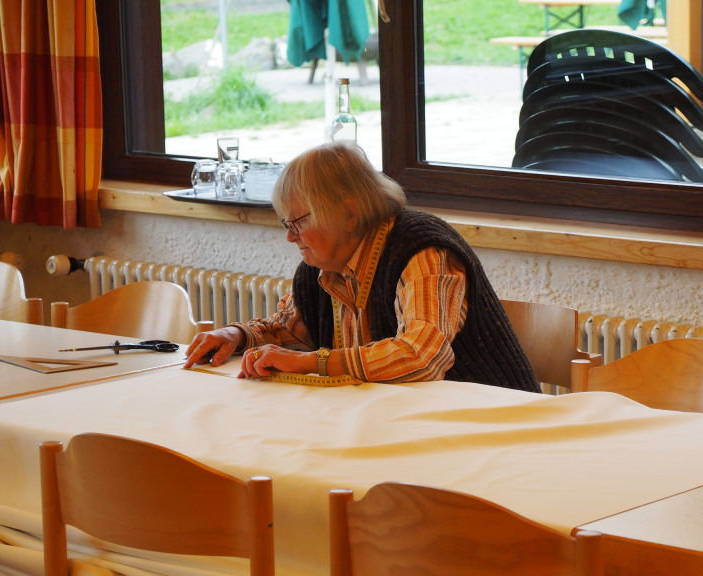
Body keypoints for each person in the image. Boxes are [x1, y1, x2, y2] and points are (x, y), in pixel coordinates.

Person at [185, 142, 539, 392]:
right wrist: (236, 336)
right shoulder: (321, 265)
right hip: (404, 421)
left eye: (299, 222)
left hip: (492, 424)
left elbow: (420, 356)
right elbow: (289, 330)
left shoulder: (422, 251)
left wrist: (314, 362)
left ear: (349, 214)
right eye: (286, 224)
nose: (291, 237)